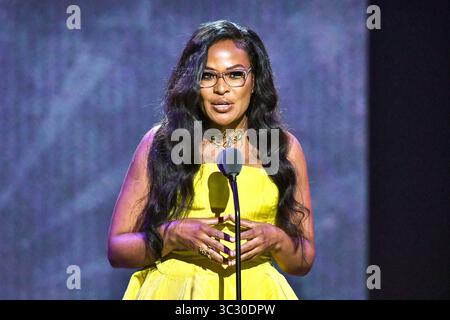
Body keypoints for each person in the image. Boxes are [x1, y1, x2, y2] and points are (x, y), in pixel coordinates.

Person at [107, 20, 315, 300]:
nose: (221, 89)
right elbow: (118, 248)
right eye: (208, 76)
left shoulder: (281, 149)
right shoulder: (163, 143)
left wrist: (275, 240)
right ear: (194, 83)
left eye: (235, 75)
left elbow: (303, 260)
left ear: (254, 81)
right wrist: (172, 235)